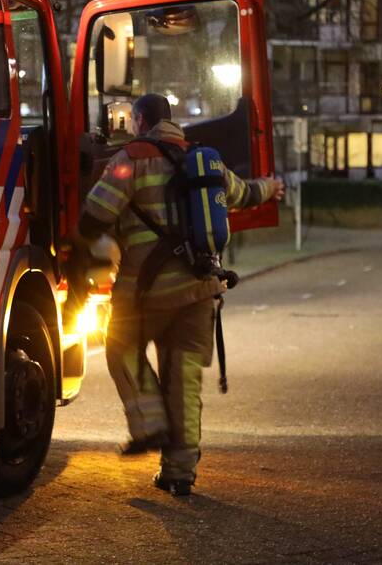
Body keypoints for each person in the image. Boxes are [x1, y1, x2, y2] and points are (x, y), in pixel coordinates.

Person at [73, 93, 285, 496]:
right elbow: (242, 194)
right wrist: (270, 187)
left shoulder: (131, 158)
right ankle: (179, 474)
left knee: (120, 348)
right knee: (183, 382)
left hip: (144, 295)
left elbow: (96, 215)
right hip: (199, 291)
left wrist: (76, 248)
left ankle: (149, 423)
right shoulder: (205, 159)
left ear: (138, 120)